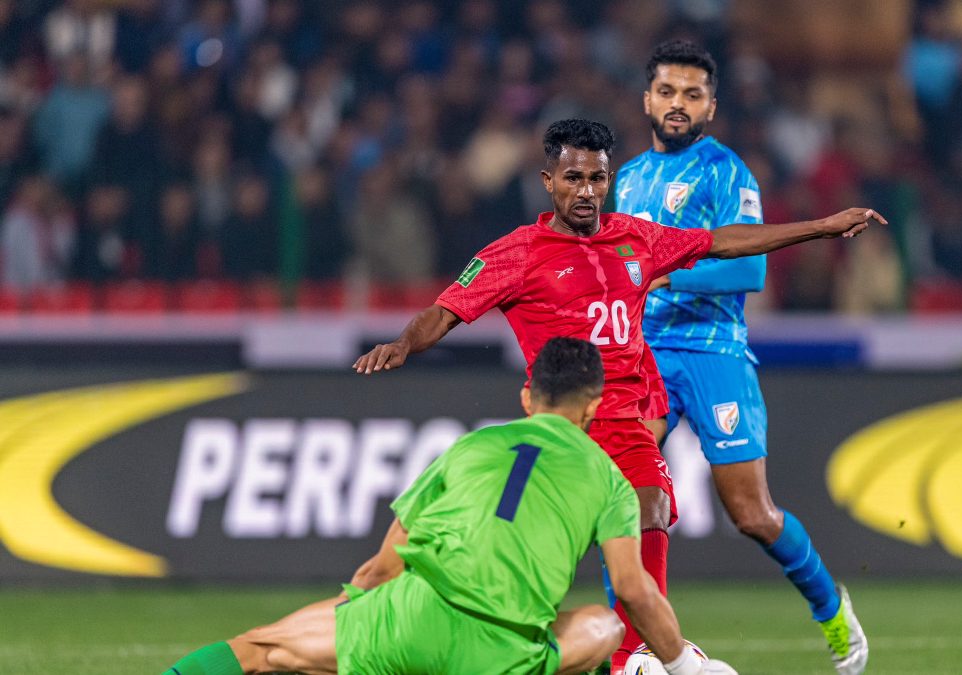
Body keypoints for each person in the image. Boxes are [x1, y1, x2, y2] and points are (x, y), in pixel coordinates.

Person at [354, 118, 883, 671]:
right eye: (573, 177)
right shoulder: (517, 252)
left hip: (626, 418)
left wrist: (821, 227)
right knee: (524, 555)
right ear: (548, 180)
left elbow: (721, 242)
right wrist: (402, 343)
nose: (586, 191)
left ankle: (637, 654)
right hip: (561, 423)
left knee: (651, 504)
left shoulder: (635, 237)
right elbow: (445, 311)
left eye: (597, 179)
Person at [163, 337, 738, 675]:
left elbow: (384, 566)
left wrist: (350, 617)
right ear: (593, 407)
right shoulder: (607, 478)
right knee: (602, 626)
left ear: (525, 397)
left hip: (412, 621)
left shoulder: (473, 446)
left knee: (261, 650)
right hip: (502, 649)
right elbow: (634, 592)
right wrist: (686, 665)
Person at [615, 40, 868, 674]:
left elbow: (751, 270)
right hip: (644, 355)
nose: (678, 105)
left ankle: (830, 606)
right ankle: (634, 653)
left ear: (711, 107)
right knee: (629, 498)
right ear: (647, 99)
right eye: (668, 92)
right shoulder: (626, 178)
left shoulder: (727, 173)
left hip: (712, 352)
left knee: (751, 514)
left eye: (692, 95)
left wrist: (665, 278)